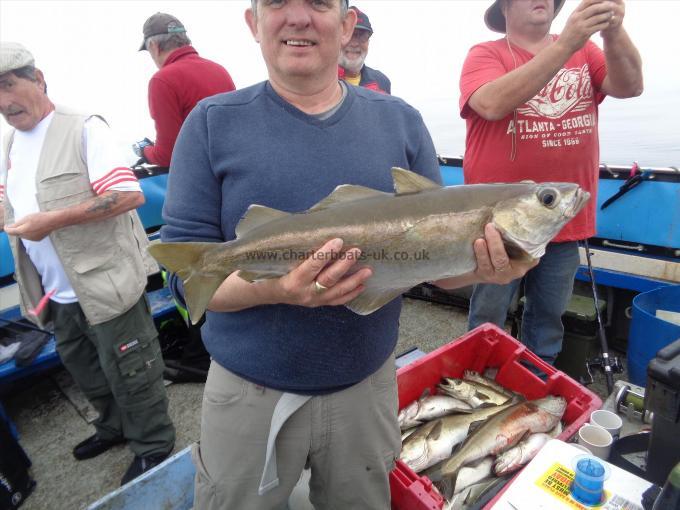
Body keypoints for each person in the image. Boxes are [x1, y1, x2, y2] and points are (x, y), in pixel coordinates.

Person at [160, 1, 534, 508]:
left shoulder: (401, 120)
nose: (298, 17)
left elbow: (438, 272)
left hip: (367, 383)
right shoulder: (210, 122)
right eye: (276, 3)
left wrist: (490, 269)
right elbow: (189, 283)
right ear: (253, 23)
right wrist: (277, 289)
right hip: (249, 389)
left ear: (346, 23)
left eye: (318, 2)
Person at [0, 42, 175, 486]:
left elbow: (129, 195)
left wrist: (51, 221)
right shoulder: (11, 144)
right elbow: (11, 201)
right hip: (56, 292)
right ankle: (113, 427)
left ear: (38, 79)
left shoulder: (83, 128)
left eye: (8, 85)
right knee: (86, 369)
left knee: (132, 369)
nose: (3, 102)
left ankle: (154, 443)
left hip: (105, 282)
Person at [460, 0, 643, 363]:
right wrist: (565, 45)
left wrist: (612, 31)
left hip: (563, 220)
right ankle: (477, 381)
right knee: (488, 315)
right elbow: (492, 103)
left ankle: (536, 386)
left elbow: (631, 86)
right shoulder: (485, 54)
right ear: (506, 8)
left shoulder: (587, 50)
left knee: (548, 318)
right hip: (498, 225)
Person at [134, 12, 236, 168]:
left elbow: (168, 155)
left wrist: (144, 151)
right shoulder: (219, 70)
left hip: (205, 180)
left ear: (154, 47)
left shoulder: (162, 80)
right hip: (234, 173)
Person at [338, 6, 391, 94]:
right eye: (349, 35)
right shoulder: (318, 79)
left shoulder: (381, 82)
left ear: (368, 41)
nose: (354, 43)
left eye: (362, 36)